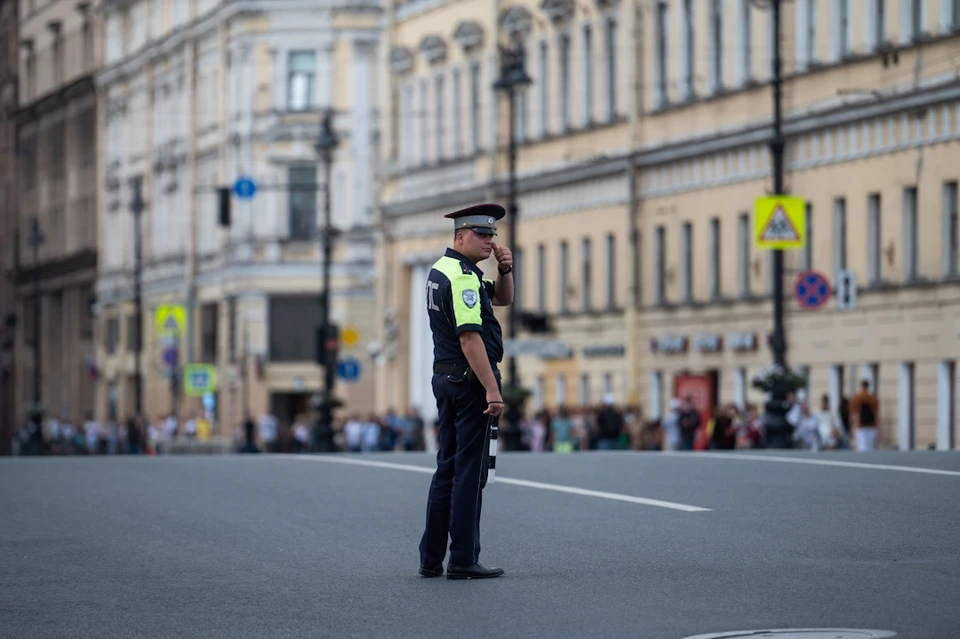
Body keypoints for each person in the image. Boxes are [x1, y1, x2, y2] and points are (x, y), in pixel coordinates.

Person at [418, 203, 513, 581]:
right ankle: (462, 558)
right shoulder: (462, 278)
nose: (490, 241)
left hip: (446, 377)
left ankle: (430, 558)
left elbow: (502, 299)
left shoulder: (445, 270)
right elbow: (470, 336)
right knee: (469, 474)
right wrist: (492, 390)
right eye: (482, 234)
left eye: (492, 235)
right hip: (470, 381)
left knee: (448, 468)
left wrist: (505, 270)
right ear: (461, 236)